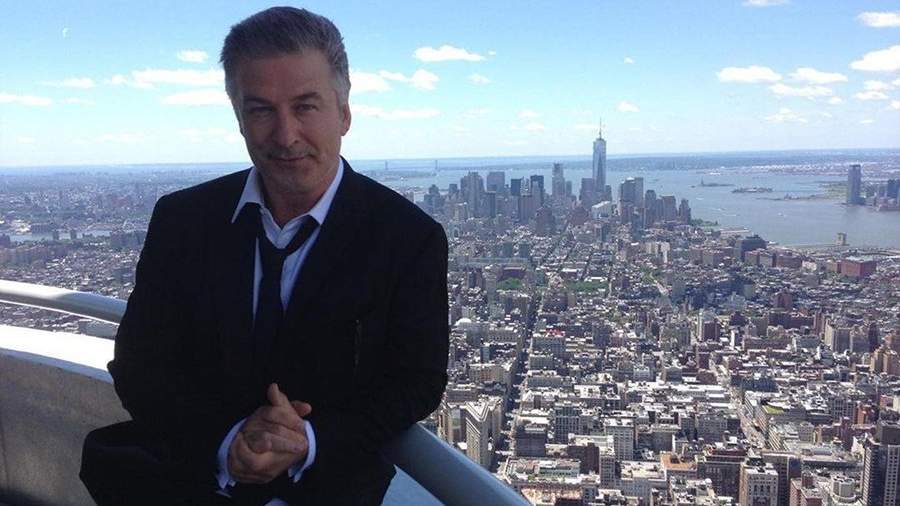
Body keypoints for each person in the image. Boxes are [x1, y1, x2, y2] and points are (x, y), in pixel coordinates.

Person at [79, 7, 449, 505]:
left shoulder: (407, 237)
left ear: (344, 113)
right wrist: (227, 440)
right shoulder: (183, 219)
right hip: (186, 479)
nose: (285, 135)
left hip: (325, 489)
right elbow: (139, 364)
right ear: (239, 120)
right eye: (260, 110)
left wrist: (308, 440)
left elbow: (416, 382)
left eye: (305, 106)